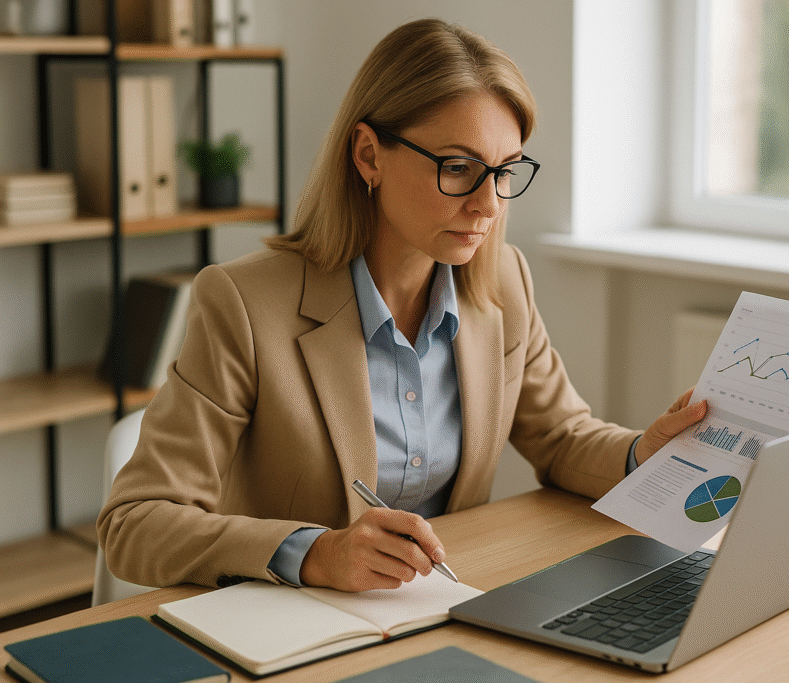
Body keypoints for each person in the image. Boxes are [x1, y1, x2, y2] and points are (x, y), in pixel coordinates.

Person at [97, 18, 707, 594]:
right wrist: (313, 552)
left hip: (441, 607)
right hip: (293, 627)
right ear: (368, 155)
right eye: (459, 167)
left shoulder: (504, 285)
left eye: (505, 171)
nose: (489, 205)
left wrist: (640, 455)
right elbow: (135, 524)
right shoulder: (244, 304)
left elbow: (561, 437)